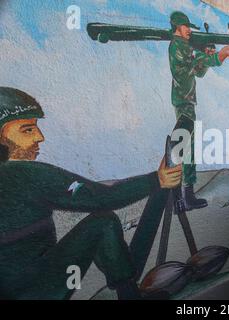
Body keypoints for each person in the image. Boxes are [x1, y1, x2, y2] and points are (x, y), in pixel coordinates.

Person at [0, 87, 182, 300]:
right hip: (37, 290)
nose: (40, 137)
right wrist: (157, 180)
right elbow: (101, 198)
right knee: (103, 223)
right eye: (27, 129)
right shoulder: (25, 174)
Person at [168, 11, 229, 210]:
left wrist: (209, 56)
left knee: (189, 149)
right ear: (177, 27)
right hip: (183, 103)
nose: (188, 30)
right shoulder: (178, 46)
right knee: (182, 148)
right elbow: (192, 62)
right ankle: (178, 198)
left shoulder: (186, 48)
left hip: (187, 102)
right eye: (185, 26)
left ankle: (186, 196)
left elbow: (198, 71)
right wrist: (219, 55)